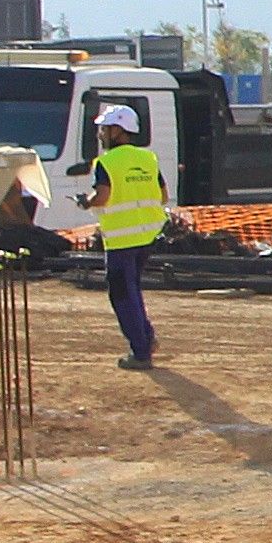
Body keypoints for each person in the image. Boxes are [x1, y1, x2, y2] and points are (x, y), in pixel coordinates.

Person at [89, 103, 169, 368]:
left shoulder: (106, 162)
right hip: (146, 236)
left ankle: (141, 351)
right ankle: (145, 337)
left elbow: (102, 197)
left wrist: (87, 202)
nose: (101, 134)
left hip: (121, 239)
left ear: (117, 131)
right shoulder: (148, 159)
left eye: (105, 129)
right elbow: (163, 195)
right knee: (133, 291)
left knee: (123, 296)